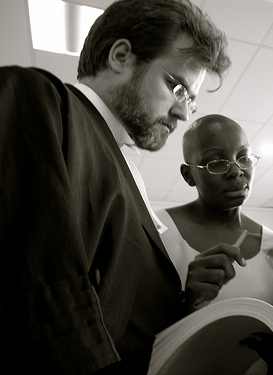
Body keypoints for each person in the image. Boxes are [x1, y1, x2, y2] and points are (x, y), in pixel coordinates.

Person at [0, 0, 230, 374]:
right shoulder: (39, 98)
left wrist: (184, 299)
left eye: (191, 99)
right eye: (177, 88)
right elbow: (39, 296)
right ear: (121, 56)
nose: (184, 112)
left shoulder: (123, 164)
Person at [155, 114, 273, 310]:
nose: (236, 171)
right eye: (216, 163)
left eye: (243, 157)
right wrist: (186, 301)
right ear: (188, 175)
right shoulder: (157, 229)